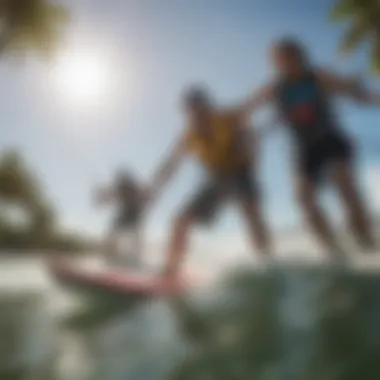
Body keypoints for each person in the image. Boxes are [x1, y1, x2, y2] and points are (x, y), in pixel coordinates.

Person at [243, 37, 379, 258]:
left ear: (300, 57)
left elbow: (357, 95)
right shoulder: (274, 88)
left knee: (344, 185)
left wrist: (368, 95)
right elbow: (246, 110)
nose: (287, 63)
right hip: (303, 150)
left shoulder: (318, 76)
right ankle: (333, 250)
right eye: (281, 60)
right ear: (276, 63)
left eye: (291, 57)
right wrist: (248, 134)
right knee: (303, 198)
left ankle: (366, 241)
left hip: (330, 139)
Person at [148, 87, 272, 281]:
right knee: (181, 220)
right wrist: (152, 188)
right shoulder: (189, 136)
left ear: (207, 106)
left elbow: (253, 103)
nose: (196, 115)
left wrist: (271, 91)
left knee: (250, 212)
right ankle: (171, 270)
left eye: (199, 109)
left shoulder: (227, 117)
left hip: (241, 172)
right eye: (190, 111)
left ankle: (268, 263)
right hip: (217, 180)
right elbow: (170, 164)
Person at [94, 168, 146, 268]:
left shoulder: (133, 189)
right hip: (123, 218)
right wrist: (101, 197)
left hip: (134, 219)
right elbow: (110, 195)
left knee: (135, 238)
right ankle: (109, 257)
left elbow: (143, 196)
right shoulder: (120, 189)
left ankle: (135, 260)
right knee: (112, 235)